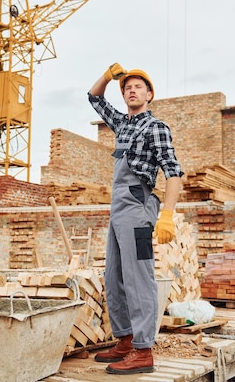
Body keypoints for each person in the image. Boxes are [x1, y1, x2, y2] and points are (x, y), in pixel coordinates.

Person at [87, 63, 184, 374]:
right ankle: (126, 339)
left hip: (138, 207)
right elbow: (94, 97)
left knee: (139, 278)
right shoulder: (123, 124)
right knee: (115, 277)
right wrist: (107, 75)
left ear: (149, 94)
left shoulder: (155, 127)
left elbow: (173, 172)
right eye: (127, 86)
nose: (132, 89)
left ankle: (143, 350)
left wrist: (166, 214)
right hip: (118, 209)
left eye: (138, 86)